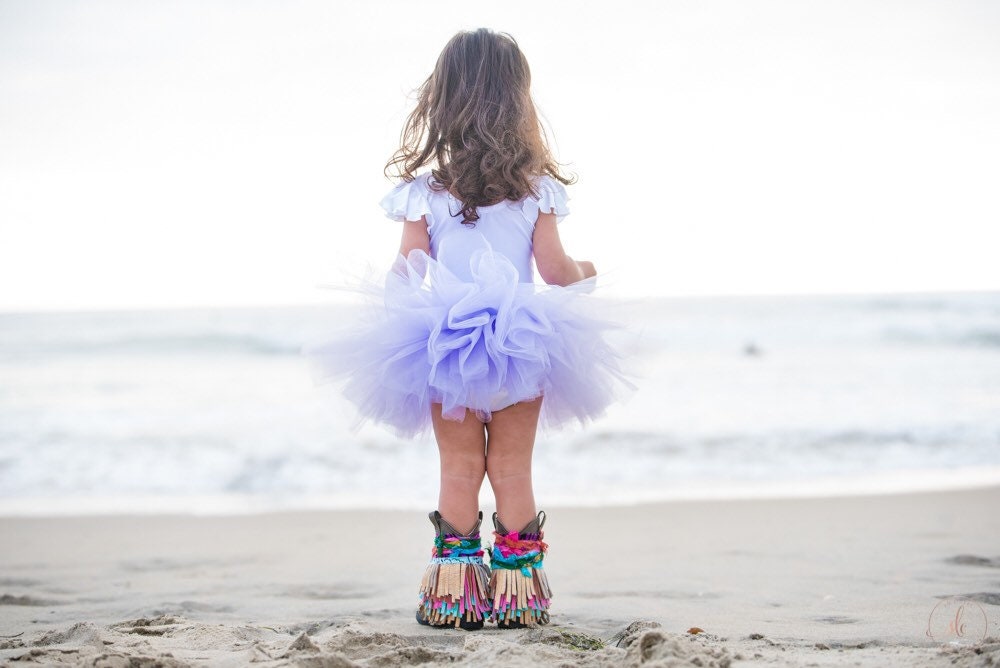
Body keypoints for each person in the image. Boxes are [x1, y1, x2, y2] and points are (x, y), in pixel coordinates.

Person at [303, 28, 632, 630]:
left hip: (446, 348)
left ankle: (451, 597)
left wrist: (398, 319)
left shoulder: (425, 191)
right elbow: (557, 273)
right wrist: (588, 271)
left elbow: (405, 273)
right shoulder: (537, 189)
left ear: (444, 101)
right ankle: (518, 600)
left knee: (457, 469)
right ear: (518, 103)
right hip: (520, 347)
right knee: (511, 469)